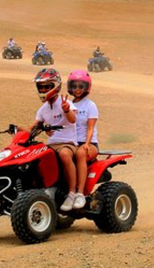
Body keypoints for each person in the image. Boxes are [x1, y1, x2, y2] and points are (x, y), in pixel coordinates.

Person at [18, 68, 79, 211]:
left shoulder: (67, 104)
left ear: (56, 86)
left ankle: (72, 193)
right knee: (36, 157)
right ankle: (47, 188)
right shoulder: (43, 109)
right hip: (51, 144)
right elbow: (32, 127)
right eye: (41, 86)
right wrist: (19, 129)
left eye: (47, 86)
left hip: (67, 143)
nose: (43, 89)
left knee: (64, 155)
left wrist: (66, 110)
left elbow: (72, 120)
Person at [67, 69, 99, 209]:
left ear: (86, 88)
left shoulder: (90, 105)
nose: (77, 89)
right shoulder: (67, 104)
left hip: (89, 143)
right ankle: (67, 192)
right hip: (72, 142)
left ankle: (79, 193)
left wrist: (86, 143)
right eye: (74, 86)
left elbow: (90, 127)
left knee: (80, 153)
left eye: (81, 86)